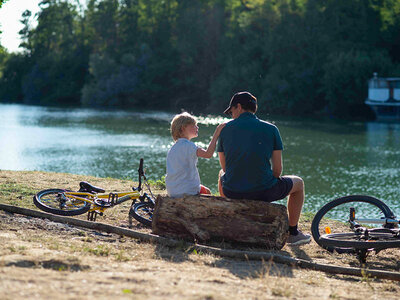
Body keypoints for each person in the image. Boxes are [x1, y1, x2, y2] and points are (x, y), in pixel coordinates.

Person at [217, 91, 311, 245]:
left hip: (232, 191)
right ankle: (293, 233)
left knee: (222, 174)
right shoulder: (271, 129)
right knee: (298, 183)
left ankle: (233, 217)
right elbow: (277, 170)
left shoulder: (225, 129)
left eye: (232, 111)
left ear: (239, 107)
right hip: (263, 191)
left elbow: (225, 168)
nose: (231, 115)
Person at [166, 112, 225, 198]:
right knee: (207, 192)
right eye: (194, 125)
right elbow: (208, 154)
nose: (197, 127)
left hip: (173, 191)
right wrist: (216, 134)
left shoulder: (173, 148)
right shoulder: (189, 145)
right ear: (183, 128)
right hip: (187, 191)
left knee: (205, 190)